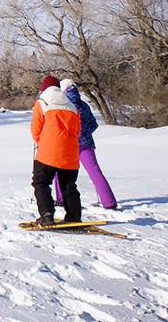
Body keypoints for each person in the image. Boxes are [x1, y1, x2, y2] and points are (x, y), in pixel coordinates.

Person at [54, 78, 118, 210]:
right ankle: (109, 202)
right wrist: (84, 133)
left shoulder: (63, 105)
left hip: (68, 145)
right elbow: (94, 124)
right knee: (95, 172)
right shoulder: (83, 105)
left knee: (59, 171)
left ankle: (61, 199)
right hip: (86, 144)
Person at [30, 75, 82, 226]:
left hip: (48, 152)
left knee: (41, 183)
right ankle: (74, 216)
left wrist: (43, 143)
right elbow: (78, 131)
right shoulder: (72, 106)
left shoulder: (42, 103)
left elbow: (36, 129)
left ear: (44, 89)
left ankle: (46, 215)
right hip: (70, 153)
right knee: (68, 185)